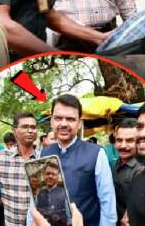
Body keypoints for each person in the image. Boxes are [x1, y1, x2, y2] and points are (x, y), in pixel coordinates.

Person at [41, 95, 116, 226]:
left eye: (70, 119)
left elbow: (107, 203)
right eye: (58, 118)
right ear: (52, 121)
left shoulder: (97, 153)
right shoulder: (45, 152)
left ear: (79, 123)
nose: (63, 124)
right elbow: (37, 196)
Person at [0, 113, 39, 226]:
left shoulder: (44, 157)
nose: (30, 130)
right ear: (14, 130)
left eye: (33, 127)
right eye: (25, 126)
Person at [111, 119, 142, 226]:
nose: (123, 145)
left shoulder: (141, 169)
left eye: (129, 141)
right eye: (119, 140)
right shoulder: (118, 162)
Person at [35, 162, 67, 226]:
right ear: (44, 175)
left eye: (53, 174)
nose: (50, 176)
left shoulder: (65, 193)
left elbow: (69, 218)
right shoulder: (39, 193)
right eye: (48, 173)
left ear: (58, 177)